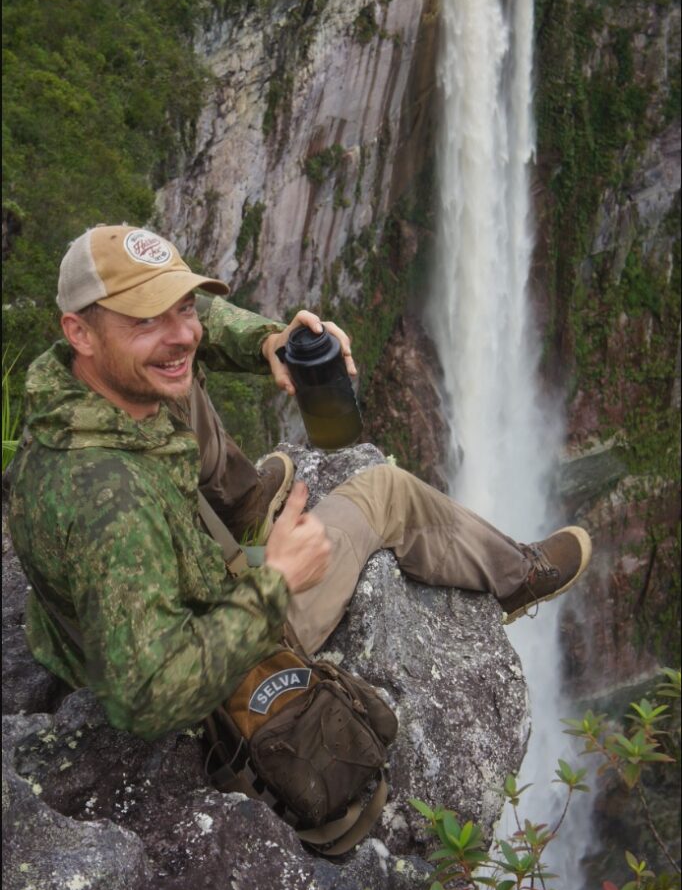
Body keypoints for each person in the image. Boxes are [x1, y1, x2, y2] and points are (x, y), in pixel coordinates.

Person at [8, 225, 592, 741]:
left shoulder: (74, 393)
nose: (181, 333)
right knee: (383, 491)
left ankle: (243, 511)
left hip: (126, 612)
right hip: (224, 674)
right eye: (145, 319)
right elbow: (149, 699)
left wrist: (270, 341)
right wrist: (278, 581)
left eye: (181, 306)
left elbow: (200, 326)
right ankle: (518, 577)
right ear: (79, 331)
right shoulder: (113, 507)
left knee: (177, 381)